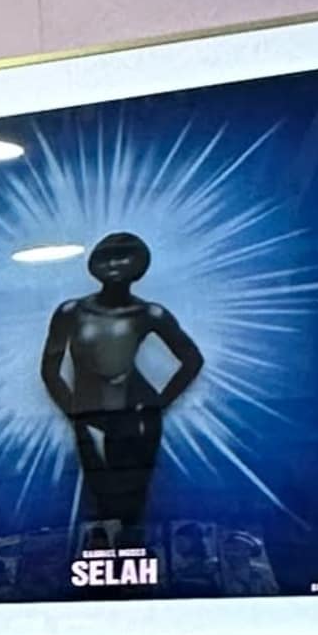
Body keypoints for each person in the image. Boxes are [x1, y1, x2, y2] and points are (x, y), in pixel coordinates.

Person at [37, 232, 203, 556]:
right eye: (107, 256)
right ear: (93, 262)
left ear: (140, 265)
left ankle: (133, 561)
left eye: (124, 256)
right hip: (90, 417)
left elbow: (192, 360)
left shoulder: (149, 314)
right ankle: (103, 565)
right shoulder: (70, 312)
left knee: (134, 499)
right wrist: (74, 411)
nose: (114, 263)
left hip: (138, 416)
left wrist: (159, 404)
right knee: (99, 494)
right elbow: (50, 370)